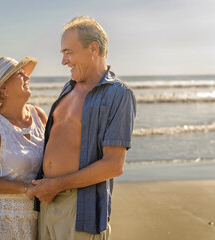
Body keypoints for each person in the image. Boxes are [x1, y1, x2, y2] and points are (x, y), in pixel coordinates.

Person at [28, 16, 137, 240]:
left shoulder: (119, 95)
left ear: (93, 48)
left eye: (69, 52)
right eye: (62, 54)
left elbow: (114, 165)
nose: (64, 61)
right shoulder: (68, 89)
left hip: (80, 208)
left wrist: (56, 185)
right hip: (47, 203)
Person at [0, 56, 47, 240]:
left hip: (36, 217)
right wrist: (27, 188)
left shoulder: (39, 115)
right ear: (3, 88)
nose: (27, 77)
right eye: (20, 74)